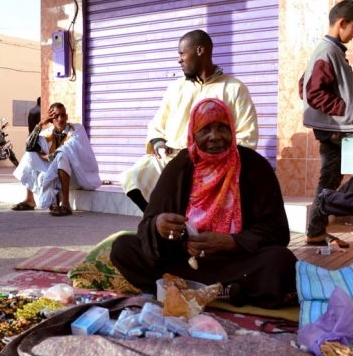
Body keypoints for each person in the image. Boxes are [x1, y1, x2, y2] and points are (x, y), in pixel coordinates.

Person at [110, 98, 296, 308]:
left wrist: (231, 242)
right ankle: (220, 291)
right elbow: (148, 225)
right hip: (184, 262)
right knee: (123, 248)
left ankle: (191, 291)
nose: (214, 137)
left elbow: (278, 232)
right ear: (193, 133)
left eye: (222, 128)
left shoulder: (255, 166)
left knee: (281, 261)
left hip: (236, 263)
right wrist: (159, 225)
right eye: (205, 129)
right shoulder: (180, 166)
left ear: (233, 130)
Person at [120, 29, 259, 212]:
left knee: (193, 209)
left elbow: (247, 136)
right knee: (133, 177)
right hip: (170, 160)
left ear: (200, 51)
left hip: (212, 165)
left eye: (182, 54)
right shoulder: (175, 88)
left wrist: (218, 160)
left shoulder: (234, 88)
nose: (179, 60)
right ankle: (156, 221)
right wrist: (158, 142)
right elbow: (156, 125)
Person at [300, 0, 353, 246]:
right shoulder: (328, 51)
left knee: (330, 178)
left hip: (336, 128)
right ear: (342, 23)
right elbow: (312, 92)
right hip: (340, 128)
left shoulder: (330, 52)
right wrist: (341, 109)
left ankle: (316, 230)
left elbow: (303, 83)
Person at [11, 102, 100, 216]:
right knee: (30, 155)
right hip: (54, 175)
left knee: (62, 155)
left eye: (63, 115)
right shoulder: (46, 134)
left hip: (75, 176)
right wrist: (40, 124)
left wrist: (45, 156)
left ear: (67, 116)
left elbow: (67, 149)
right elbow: (29, 146)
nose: (60, 119)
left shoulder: (76, 129)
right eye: (56, 116)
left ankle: (66, 204)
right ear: (51, 119)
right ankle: (30, 200)